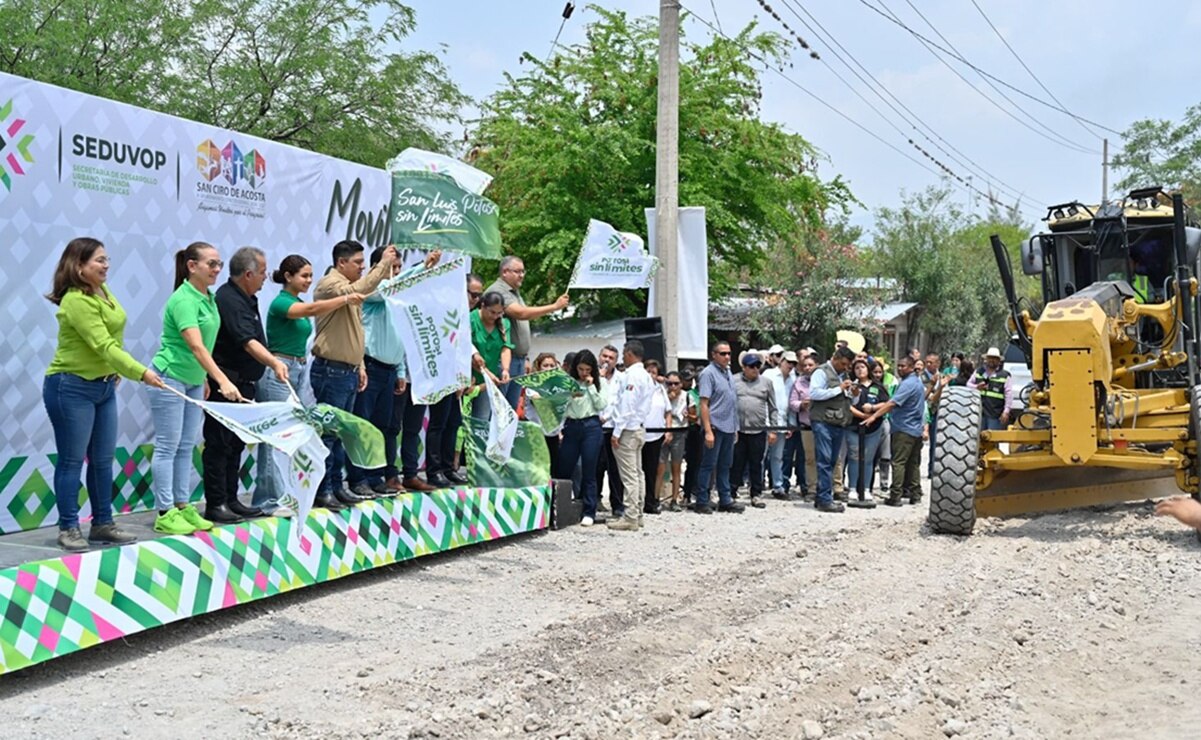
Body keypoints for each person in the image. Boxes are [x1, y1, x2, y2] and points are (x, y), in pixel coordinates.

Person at [43, 238, 165, 551]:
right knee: (71, 461)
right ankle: (69, 528)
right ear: (78, 266)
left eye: (107, 259)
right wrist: (140, 372)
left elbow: (112, 341)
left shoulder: (101, 291)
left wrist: (114, 372)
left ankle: (102, 523)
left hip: (103, 387)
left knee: (102, 460)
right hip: (70, 387)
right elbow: (103, 345)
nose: (106, 265)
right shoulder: (75, 300)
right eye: (99, 260)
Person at [253, 254, 365, 518]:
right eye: (303, 276)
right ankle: (267, 500)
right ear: (288, 277)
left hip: (299, 369)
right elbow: (314, 310)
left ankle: (286, 493)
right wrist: (346, 298)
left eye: (310, 276)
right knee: (274, 438)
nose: (308, 281)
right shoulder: (281, 303)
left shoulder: (297, 301)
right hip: (278, 369)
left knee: (296, 435)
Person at [147, 242, 243, 535]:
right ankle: (164, 512)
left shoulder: (208, 298)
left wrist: (202, 378)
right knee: (168, 445)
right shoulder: (183, 299)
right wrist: (221, 379)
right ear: (192, 266)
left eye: (219, 264)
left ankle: (181, 506)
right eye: (211, 264)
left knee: (186, 445)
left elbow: (205, 346)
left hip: (191, 380)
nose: (216, 269)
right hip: (169, 378)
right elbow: (196, 345)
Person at [309, 240, 399, 509]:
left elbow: (356, 331)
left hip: (347, 370)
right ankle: (323, 489)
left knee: (341, 434)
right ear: (341, 263)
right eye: (358, 263)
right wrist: (382, 264)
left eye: (364, 263)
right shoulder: (330, 284)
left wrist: (359, 365)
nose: (362, 268)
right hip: (331, 370)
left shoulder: (349, 290)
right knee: (328, 433)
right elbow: (360, 289)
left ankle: (337, 486)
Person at [202, 246, 288, 524]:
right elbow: (247, 341)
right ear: (248, 273)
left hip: (245, 386)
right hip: (226, 385)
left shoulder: (248, 298)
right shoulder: (229, 300)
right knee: (219, 445)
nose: (266, 277)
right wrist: (274, 363)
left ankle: (231, 498)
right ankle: (216, 503)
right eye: (262, 272)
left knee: (235, 446)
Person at [349, 247, 441, 497]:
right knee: (363, 426)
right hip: (370, 367)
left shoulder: (397, 298)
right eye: (391, 267)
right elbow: (386, 290)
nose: (396, 273)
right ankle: (357, 478)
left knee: (383, 427)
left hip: (390, 370)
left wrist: (400, 370)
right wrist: (422, 267)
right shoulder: (369, 290)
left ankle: (376, 476)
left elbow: (398, 336)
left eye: (399, 268)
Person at [486, 255, 569, 409]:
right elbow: (521, 313)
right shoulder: (498, 291)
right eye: (517, 271)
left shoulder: (514, 292)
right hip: (502, 360)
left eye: (523, 271)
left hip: (518, 360)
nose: (522, 275)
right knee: (499, 409)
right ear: (505, 272)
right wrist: (554, 307)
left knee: (511, 409)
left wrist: (525, 359)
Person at [862, 355, 926, 507]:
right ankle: (915, 494)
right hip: (915, 429)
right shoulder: (917, 381)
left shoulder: (908, 384)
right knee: (913, 463)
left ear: (911, 367)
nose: (900, 368)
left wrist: (874, 416)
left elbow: (892, 403)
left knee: (898, 463)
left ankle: (895, 496)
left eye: (903, 366)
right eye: (898, 365)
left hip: (904, 429)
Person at [692, 341, 745, 514]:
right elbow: (704, 403)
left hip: (729, 426)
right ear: (713, 355)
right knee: (708, 464)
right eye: (723, 353)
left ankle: (725, 499)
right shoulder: (708, 374)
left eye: (729, 353)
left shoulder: (727, 372)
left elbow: (732, 402)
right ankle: (702, 500)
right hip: (714, 426)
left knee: (725, 465)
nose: (727, 357)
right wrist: (707, 430)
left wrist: (735, 427)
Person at [607, 341, 655, 531]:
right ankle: (638, 514)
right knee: (637, 473)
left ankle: (631, 516)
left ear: (629, 354)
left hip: (628, 429)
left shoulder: (633, 376)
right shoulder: (645, 376)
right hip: (638, 427)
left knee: (629, 476)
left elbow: (627, 405)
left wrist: (617, 431)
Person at [559, 349, 606, 526]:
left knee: (589, 469)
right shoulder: (569, 383)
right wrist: (569, 396)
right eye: (581, 369)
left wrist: (591, 387)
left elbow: (602, 404)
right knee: (564, 466)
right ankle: (559, 507)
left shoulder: (599, 383)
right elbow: (561, 408)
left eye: (587, 369)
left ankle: (589, 511)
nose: (584, 373)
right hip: (572, 425)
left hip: (591, 426)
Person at [809, 346, 856, 513]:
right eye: (843, 364)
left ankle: (821, 496)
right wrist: (839, 389)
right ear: (835, 358)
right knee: (824, 460)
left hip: (838, 422)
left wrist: (852, 393)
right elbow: (814, 394)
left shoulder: (843, 375)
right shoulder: (821, 372)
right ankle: (825, 499)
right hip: (823, 422)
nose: (845, 368)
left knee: (831, 461)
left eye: (847, 365)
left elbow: (845, 398)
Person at [731, 353, 778, 509]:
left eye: (758, 366)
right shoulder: (733, 380)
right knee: (736, 462)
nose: (755, 369)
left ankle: (756, 494)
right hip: (738, 430)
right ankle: (731, 492)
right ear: (744, 367)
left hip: (758, 430)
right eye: (751, 366)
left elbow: (773, 408)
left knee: (756, 463)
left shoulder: (767, 383)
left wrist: (773, 429)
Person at [847, 358, 889, 501]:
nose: (860, 370)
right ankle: (852, 488)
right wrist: (863, 415)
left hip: (874, 427)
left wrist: (873, 409)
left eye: (863, 367)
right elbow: (847, 405)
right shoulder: (851, 386)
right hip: (854, 426)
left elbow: (886, 403)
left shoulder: (878, 387)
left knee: (869, 459)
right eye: (857, 368)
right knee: (854, 457)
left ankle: (866, 489)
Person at [468, 291, 513, 420]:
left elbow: (506, 348)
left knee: (482, 418)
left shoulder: (504, 324)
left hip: (489, 380)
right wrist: (487, 373)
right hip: (470, 377)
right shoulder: (470, 319)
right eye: (492, 312)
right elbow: (468, 352)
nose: (495, 316)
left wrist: (505, 369)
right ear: (482, 306)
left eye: (499, 313)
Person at [638, 359, 671, 516]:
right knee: (636, 470)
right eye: (648, 371)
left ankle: (650, 501)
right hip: (639, 433)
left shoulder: (661, 390)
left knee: (651, 470)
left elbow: (668, 411)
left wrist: (668, 429)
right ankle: (634, 502)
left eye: (654, 372)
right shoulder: (640, 387)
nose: (651, 375)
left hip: (656, 434)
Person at [596, 344, 625, 516]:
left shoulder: (622, 378)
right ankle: (595, 501)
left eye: (611, 358)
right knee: (595, 466)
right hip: (595, 427)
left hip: (613, 428)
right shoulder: (592, 376)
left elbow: (622, 402)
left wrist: (609, 417)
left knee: (615, 469)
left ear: (616, 361)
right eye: (604, 356)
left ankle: (618, 505)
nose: (606, 360)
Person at [763, 349, 795, 498]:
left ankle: (778, 485)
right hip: (765, 420)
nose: (791, 365)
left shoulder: (792, 379)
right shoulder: (768, 375)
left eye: (794, 363)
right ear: (781, 361)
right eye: (789, 362)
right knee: (760, 455)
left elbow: (791, 404)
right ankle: (757, 484)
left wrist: (791, 423)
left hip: (782, 421)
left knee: (778, 456)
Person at [657, 370, 689, 512]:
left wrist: (690, 415)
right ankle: (655, 498)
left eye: (676, 383)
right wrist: (668, 398)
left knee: (676, 468)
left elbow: (694, 414)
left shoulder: (686, 396)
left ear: (681, 384)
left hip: (679, 432)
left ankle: (674, 499)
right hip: (662, 432)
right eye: (669, 383)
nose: (673, 387)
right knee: (660, 467)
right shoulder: (661, 395)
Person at [788, 353, 818, 499]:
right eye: (805, 365)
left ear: (817, 366)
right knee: (810, 459)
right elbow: (792, 402)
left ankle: (831, 488)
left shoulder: (824, 380)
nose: (807, 368)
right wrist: (801, 405)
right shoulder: (799, 382)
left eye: (810, 365)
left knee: (829, 458)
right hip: (807, 425)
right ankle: (811, 489)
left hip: (824, 424)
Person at [527, 352, 563, 467]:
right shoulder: (532, 384)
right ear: (538, 367)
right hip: (537, 433)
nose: (549, 369)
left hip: (553, 434)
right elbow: (538, 401)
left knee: (553, 468)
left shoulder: (559, 386)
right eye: (545, 365)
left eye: (552, 366)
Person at [974, 347, 1014, 431]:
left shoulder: (1004, 376)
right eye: (990, 358)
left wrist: (1006, 412)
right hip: (978, 414)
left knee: (992, 440)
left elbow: (1009, 395)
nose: (992, 360)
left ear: (999, 361)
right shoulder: (978, 372)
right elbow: (968, 385)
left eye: (995, 358)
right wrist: (976, 387)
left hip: (995, 415)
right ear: (986, 359)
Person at [680, 368, 703, 505]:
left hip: (705, 429)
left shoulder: (709, 394)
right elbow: (690, 415)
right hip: (693, 431)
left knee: (704, 464)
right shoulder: (689, 394)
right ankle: (688, 493)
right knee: (693, 463)